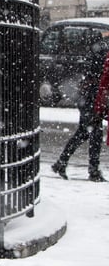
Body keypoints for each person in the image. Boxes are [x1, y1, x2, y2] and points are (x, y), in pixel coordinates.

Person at [52, 31, 108, 182]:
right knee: (93, 135)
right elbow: (100, 80)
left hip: (87, 100)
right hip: (92, 101)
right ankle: (92, 170)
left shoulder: (91, 55)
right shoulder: (101, 55)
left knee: (84, 133)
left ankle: (62, 163)